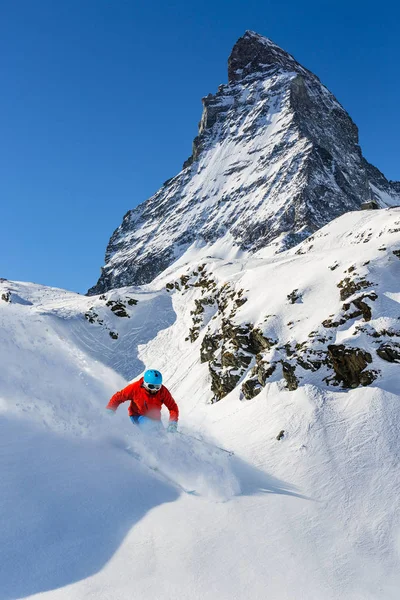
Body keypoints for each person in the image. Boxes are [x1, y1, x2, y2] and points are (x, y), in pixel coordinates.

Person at [106, 369, 179, 433]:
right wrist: (110, 409)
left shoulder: (162, 391)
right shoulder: (135, 388)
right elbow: (118, 397)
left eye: (158, 387)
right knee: (153, 432)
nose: (155, 390)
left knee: (164, 436)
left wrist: (173, 422)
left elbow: (172, 407)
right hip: (138, 415)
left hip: (155, 418)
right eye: (151, 386)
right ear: (145, 384)